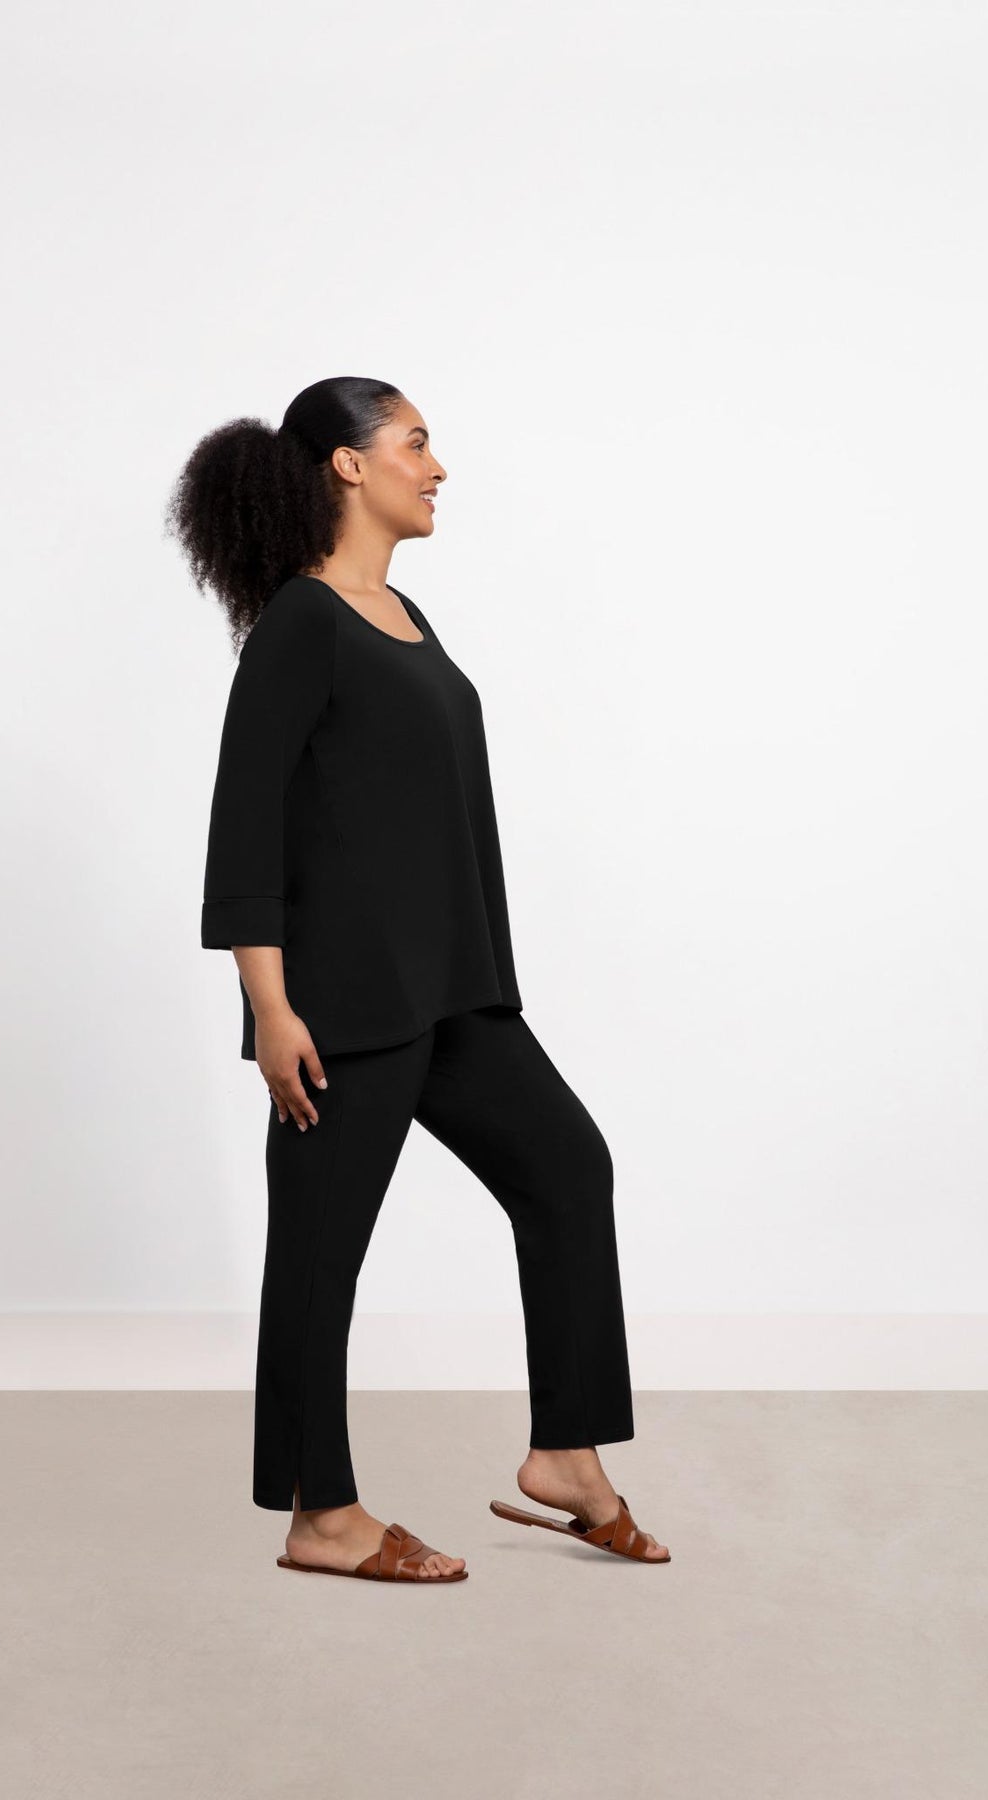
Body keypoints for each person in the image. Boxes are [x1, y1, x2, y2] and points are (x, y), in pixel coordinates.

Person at [165, 376, 669, 1583]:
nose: (437, 468)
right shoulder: (300, 623)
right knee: (320, 1254)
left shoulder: (403, 615)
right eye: (416, 442)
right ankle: (321, 1517)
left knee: (567, 1169)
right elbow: (247, 828)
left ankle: (566, 1454)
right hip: (342, 1005)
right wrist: (271, 1009)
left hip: (453, 992)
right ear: (348, 464)